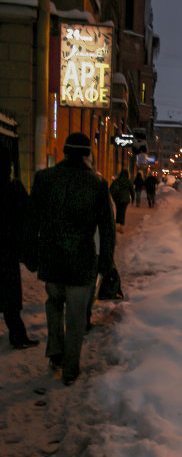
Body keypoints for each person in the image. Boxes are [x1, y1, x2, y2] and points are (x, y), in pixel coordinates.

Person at [25, 132, 115, 385]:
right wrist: (105, 261)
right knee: (76, 316)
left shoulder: (45, 179)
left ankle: (55, 351)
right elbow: (107, 229)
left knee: (53, 303)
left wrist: (31, 254)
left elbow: (31, 221)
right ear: (87, 154)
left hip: (52, 257)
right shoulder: (97, 185)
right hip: (82, 260)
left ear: (64, 152)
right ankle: (70, 368)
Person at [0, 146, 39, 350]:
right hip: (7, 253)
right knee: (10, 299)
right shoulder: (14, 189)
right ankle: (17, 336)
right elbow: (28, 218)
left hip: (8, 251)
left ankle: (18, 335)